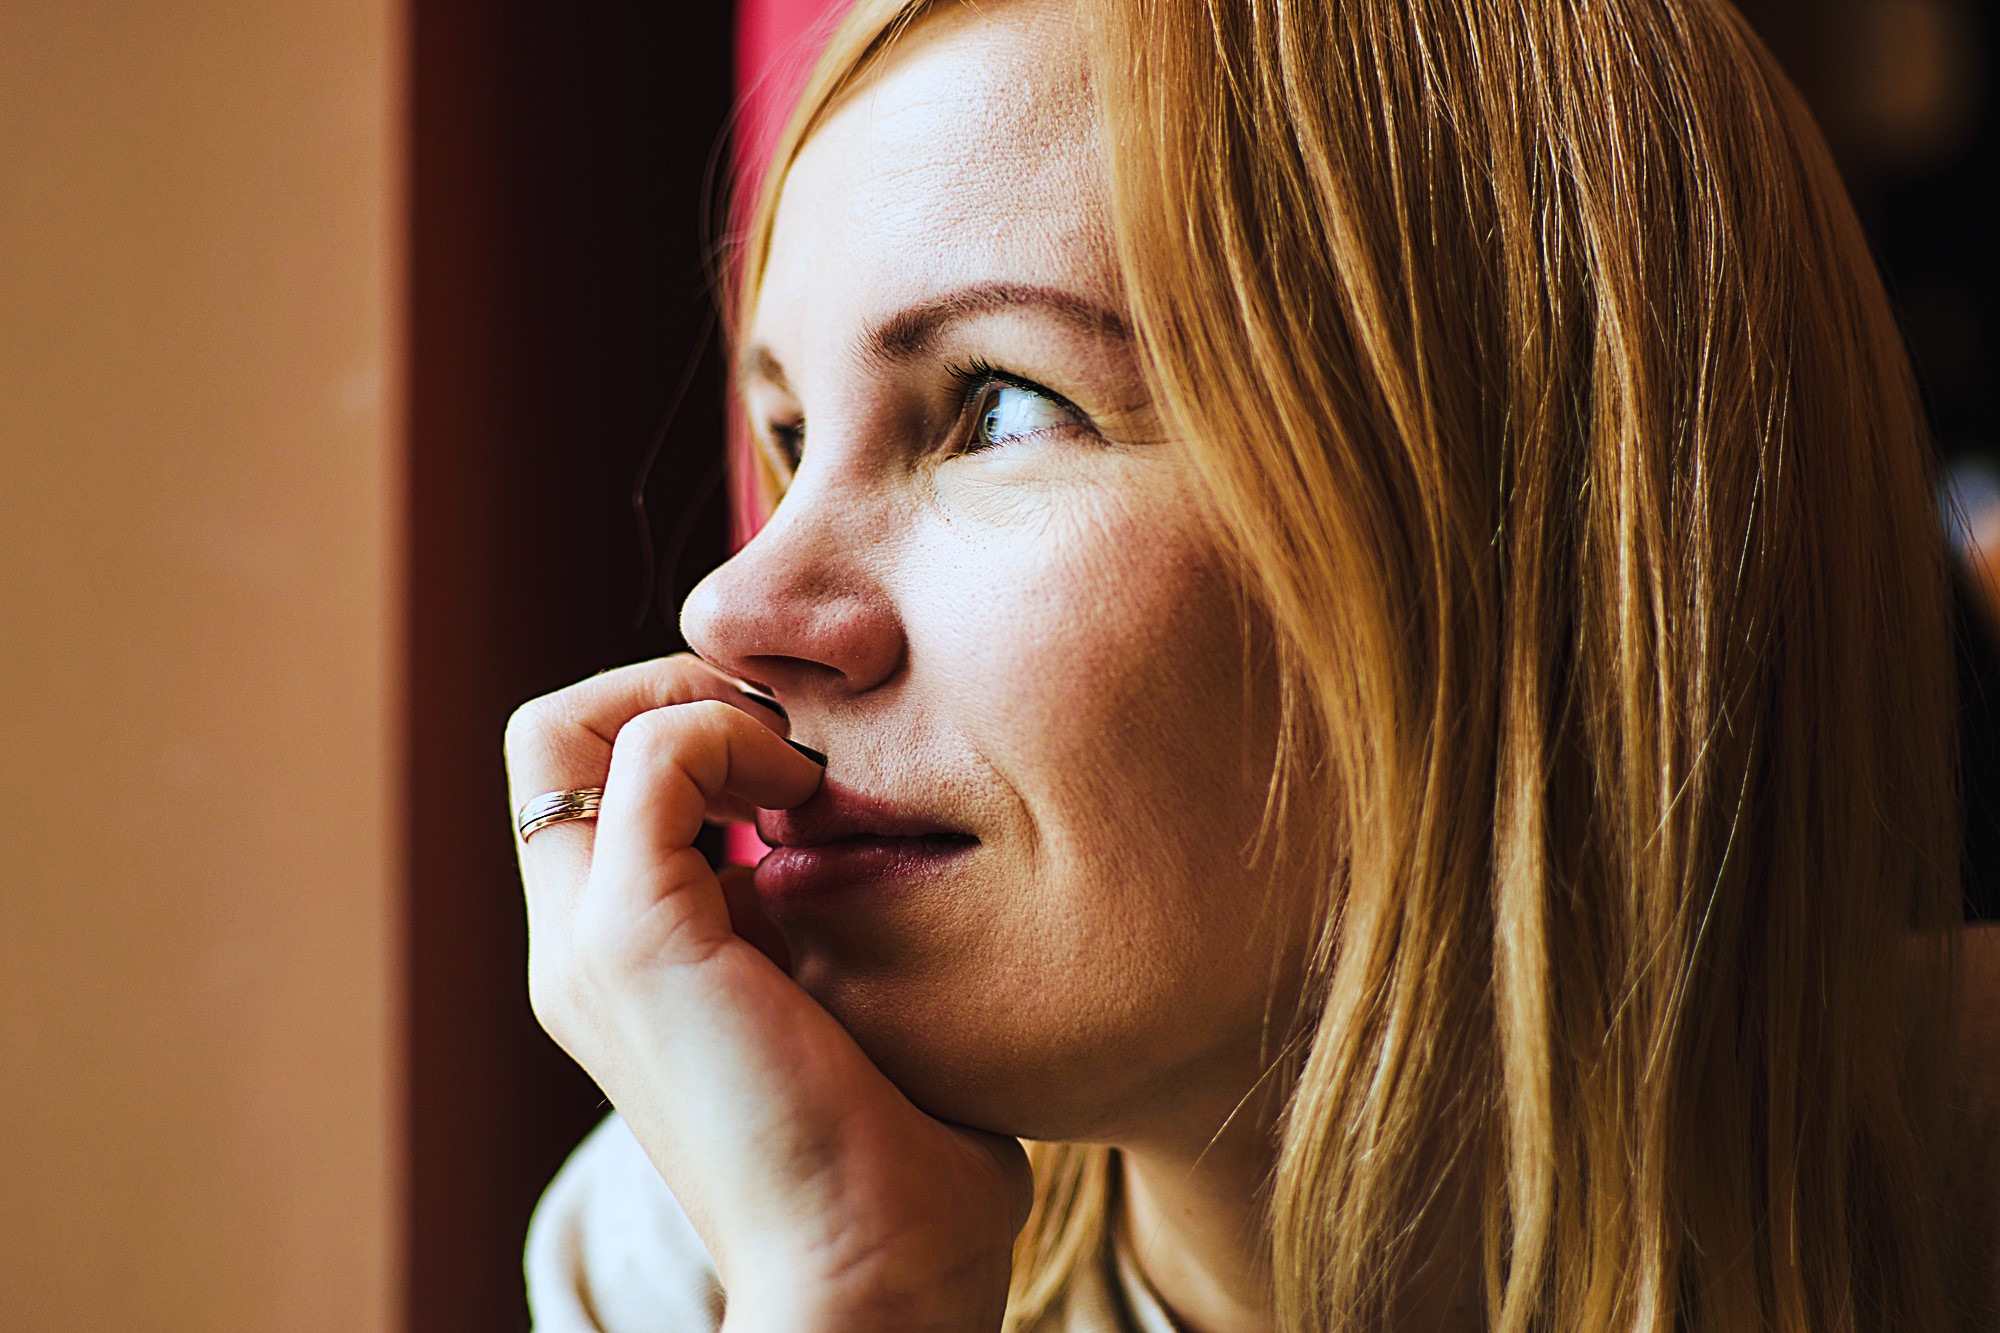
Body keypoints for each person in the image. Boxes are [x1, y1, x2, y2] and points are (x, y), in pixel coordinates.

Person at [501, 0, 2000, 1328]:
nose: (733, 606)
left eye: (1001, 407)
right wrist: (853, 1289)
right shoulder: (698, 1241)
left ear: (1525, 517)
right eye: (789, 439)